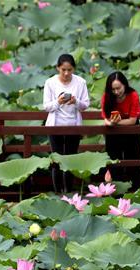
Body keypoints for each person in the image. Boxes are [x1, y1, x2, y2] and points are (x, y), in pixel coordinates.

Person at [43, 54, 89, 194]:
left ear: (74, 69)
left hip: (73, 126)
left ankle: (68, 192)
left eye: (69, 70)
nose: (66, 73)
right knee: (56, 160)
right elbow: (46, 107)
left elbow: (85, 105)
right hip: (55, 126)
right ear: (58, 68)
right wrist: (58, 101)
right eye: (63, 69)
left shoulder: (81, 82)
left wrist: (75, 102)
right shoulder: (50, 83)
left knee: (70, 160)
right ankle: (57, 192)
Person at [101, 71, 140, 188]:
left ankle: (134, 189)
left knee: (133, 160)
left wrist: (116, 122)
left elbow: (132, 120)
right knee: (114, 161)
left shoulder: (133, 95)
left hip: (132, 131)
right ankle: (116, 190)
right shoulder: (107, 96)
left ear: (125, 84)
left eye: (118, 88)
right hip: (113, 132)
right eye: (113, 89)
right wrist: (110, 123)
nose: (116, 92)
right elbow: (106, 119)